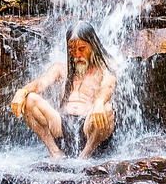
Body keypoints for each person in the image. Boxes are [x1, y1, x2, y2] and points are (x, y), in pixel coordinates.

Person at [9, 20, 116, 159]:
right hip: (61, 124)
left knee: (107, 108)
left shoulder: (104, 68)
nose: (76, 54)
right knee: (29, 98)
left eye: (82, 49)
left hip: (90, 125)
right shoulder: (61, 67)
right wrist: (21, 91)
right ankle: (55, 152)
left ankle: (85, 156)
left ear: (93, 45)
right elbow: (41, 83)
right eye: (72, 49)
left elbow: (108, 85)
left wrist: (99, 102)